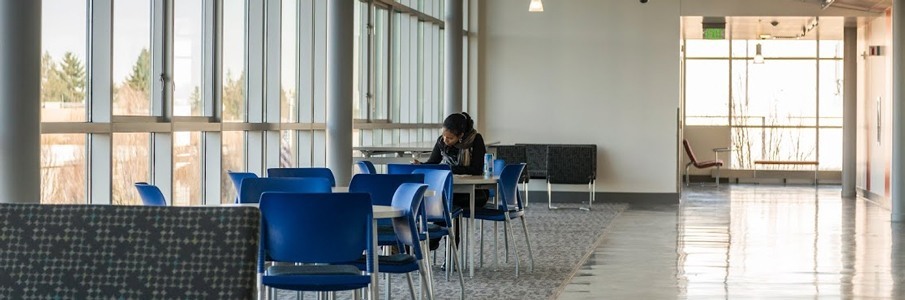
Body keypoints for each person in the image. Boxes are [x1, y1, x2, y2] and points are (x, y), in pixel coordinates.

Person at [415, 112, 489, 252]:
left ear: (461, 135)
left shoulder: (475, 140)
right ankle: (448, 250)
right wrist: (421, 165)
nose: (446, 140)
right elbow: (433, 163)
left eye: (450, 138)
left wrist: (450, 169)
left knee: (445, 202)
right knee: (446, 202)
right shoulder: (442, 141)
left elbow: (476, 169)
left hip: (475, 193)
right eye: (444, 135)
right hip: (450, 191)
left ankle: (435, 242)